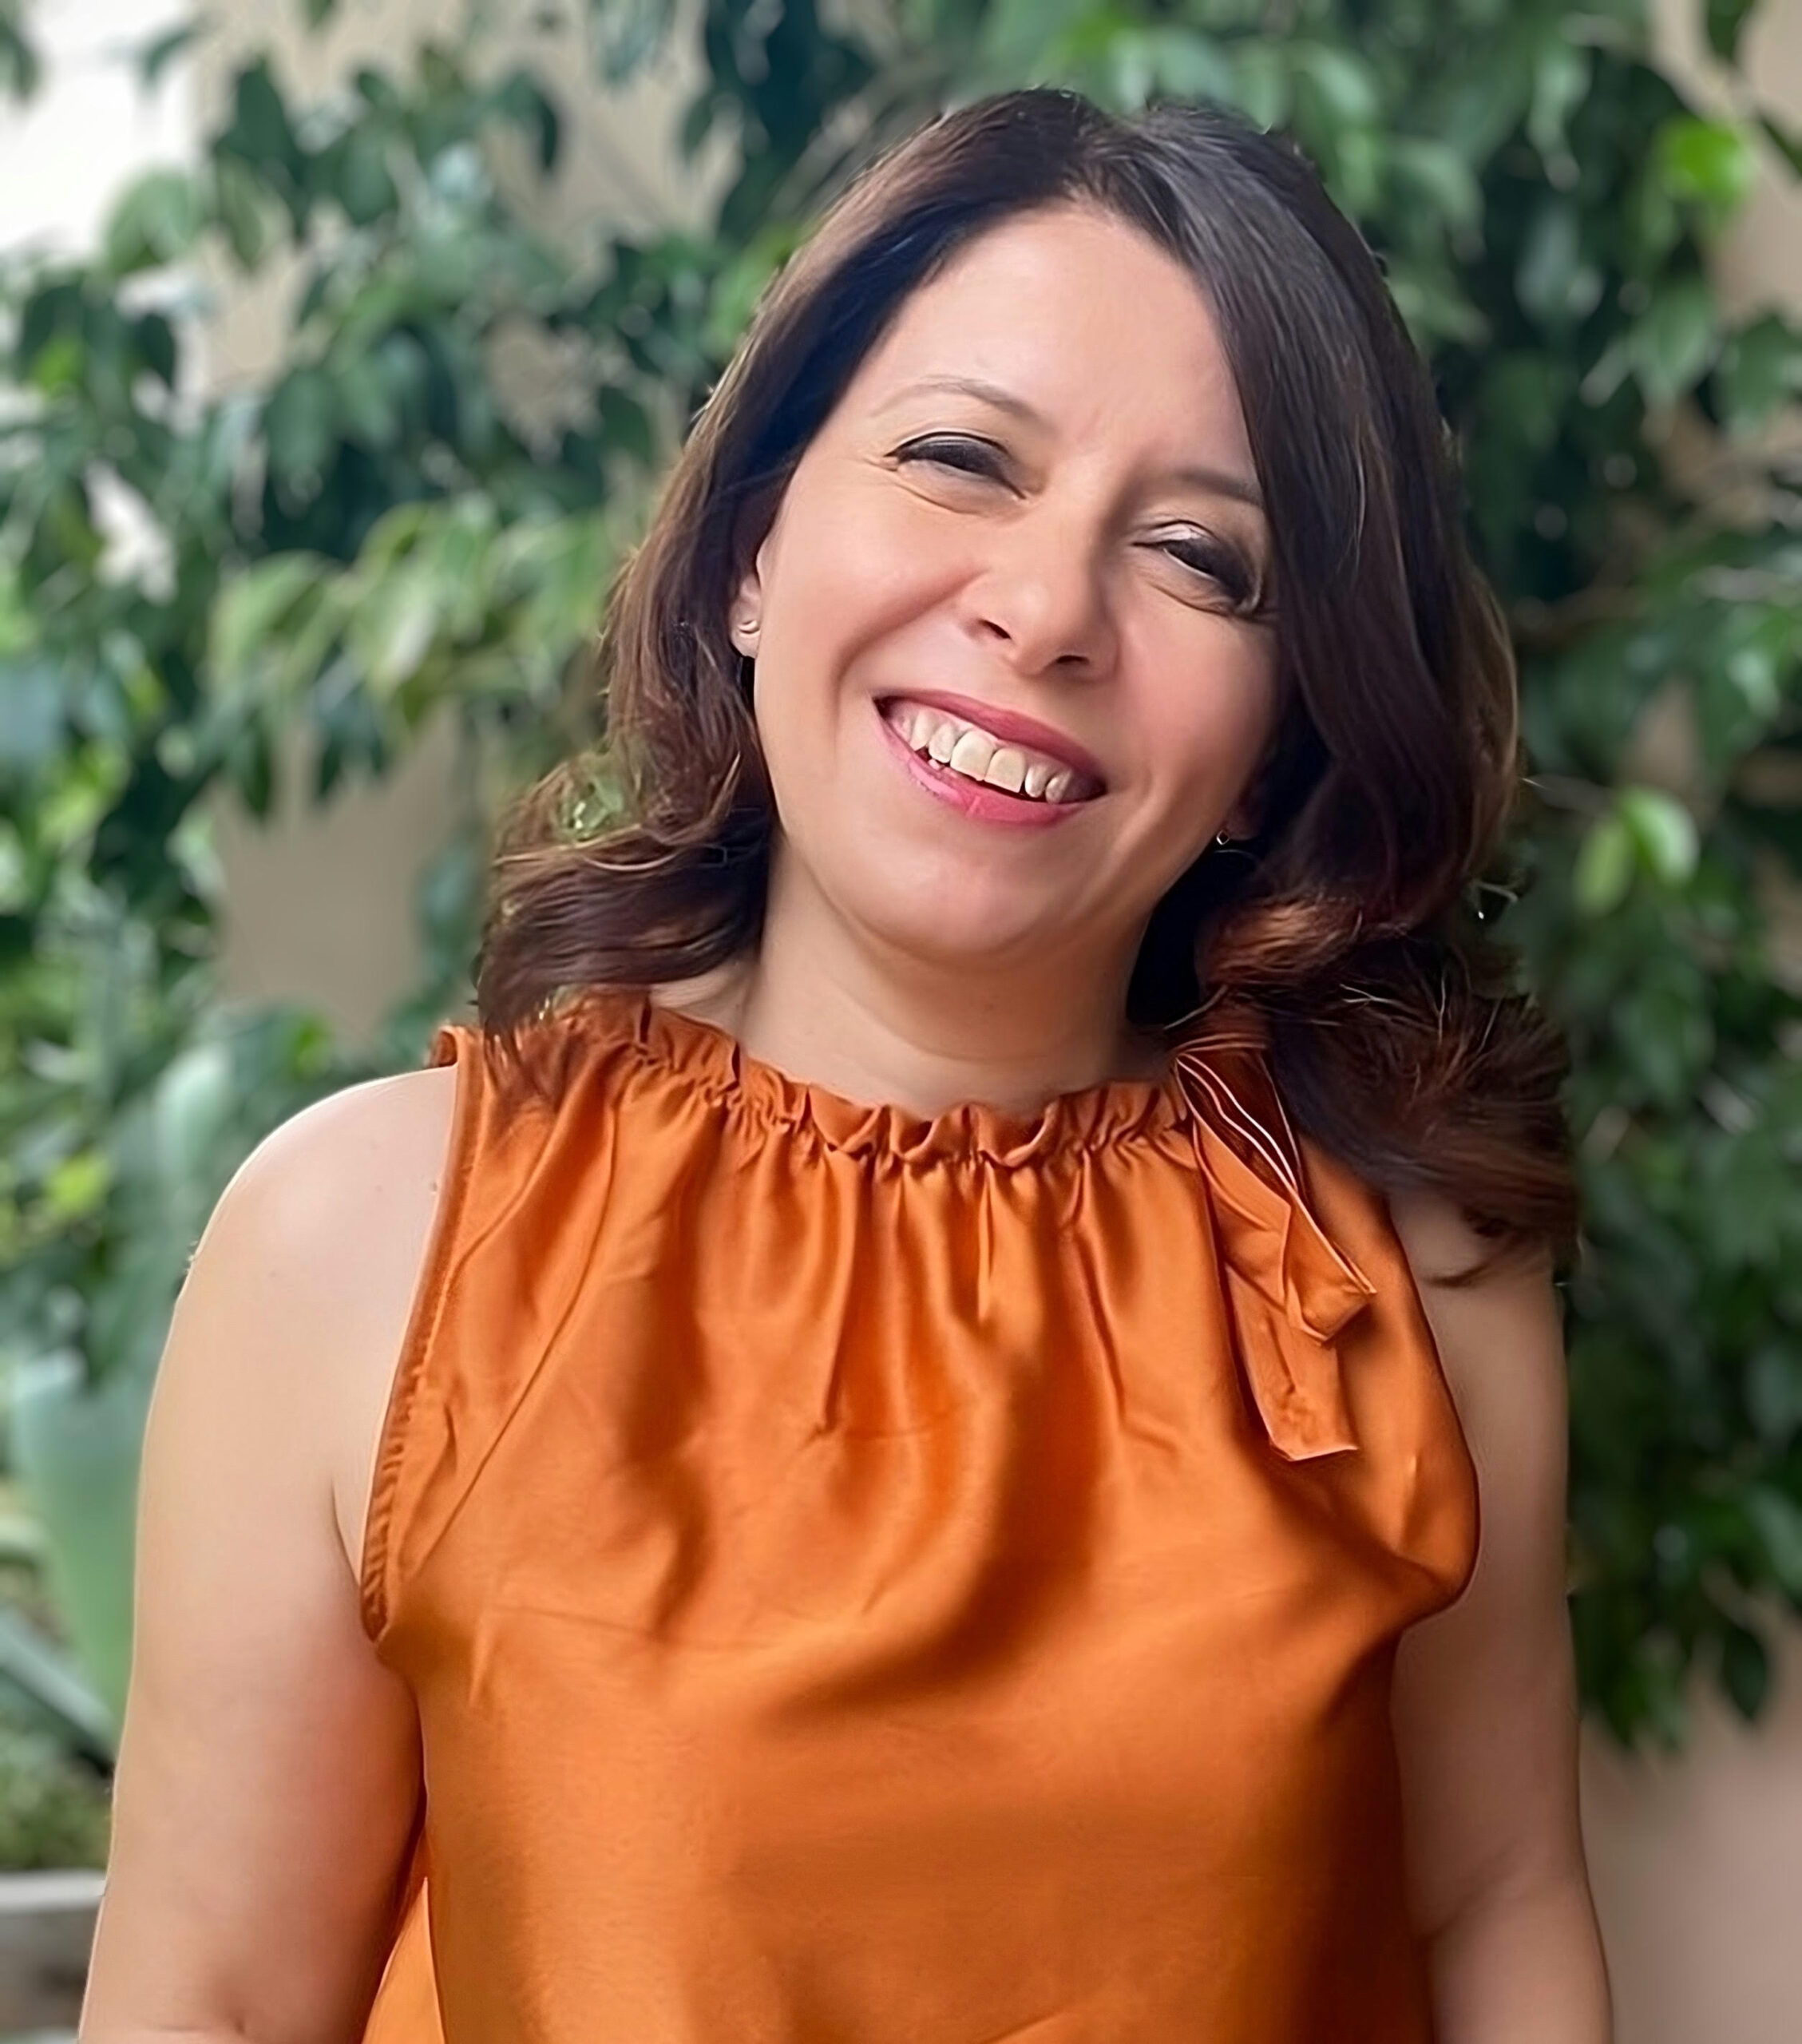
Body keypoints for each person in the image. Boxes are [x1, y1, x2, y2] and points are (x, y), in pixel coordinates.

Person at [79, 86, 1611, 2044]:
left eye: (1197, 557)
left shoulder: (1394, 1285)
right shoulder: (359, 1240)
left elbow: (1495, 1909)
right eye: (962, 459)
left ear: (1277, 737)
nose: (1042, 612)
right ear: (750, 546)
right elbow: (208, 1998)